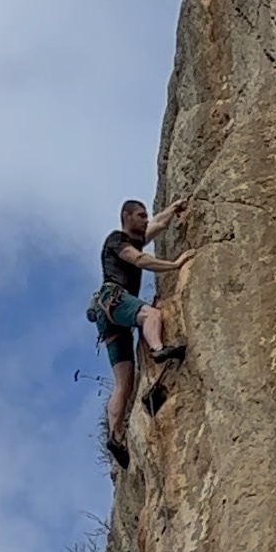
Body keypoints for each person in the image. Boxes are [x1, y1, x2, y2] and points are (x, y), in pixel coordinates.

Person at [93, 197, 190, 469]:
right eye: (140, 215)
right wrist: (175, 265)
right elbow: (139, 259)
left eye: (146, 214)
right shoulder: (117, 240)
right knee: (152, 314)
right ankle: (159, 350)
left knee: (125, 383)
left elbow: (157, 225)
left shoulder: (134, 238)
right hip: (114, 299)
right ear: (126, 216)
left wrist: (173, 209)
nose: (145, 219)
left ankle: (115, 437)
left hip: (108, 319)